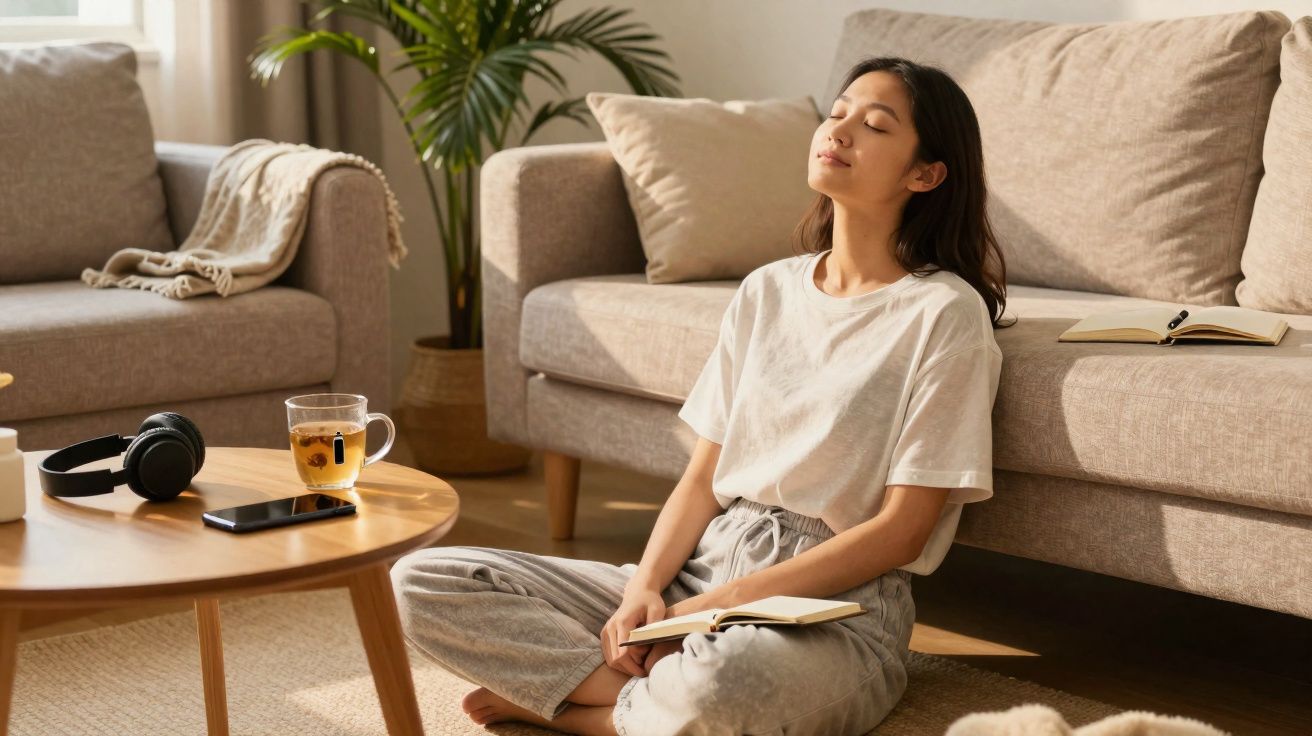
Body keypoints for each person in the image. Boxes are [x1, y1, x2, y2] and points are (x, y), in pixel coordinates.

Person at [389, 55, 1014, 736]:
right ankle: (636, 703)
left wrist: (721, 607)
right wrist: (646, 591)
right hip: (709, 562)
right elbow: (703, 477)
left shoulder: (943, 314)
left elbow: (902, 532)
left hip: (839, 609)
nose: (839, 130)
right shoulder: (767, 290)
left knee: (727, 680)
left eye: (874, 125)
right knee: (421, 580)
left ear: (924, 175)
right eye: (836, 114)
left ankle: (582, 713)